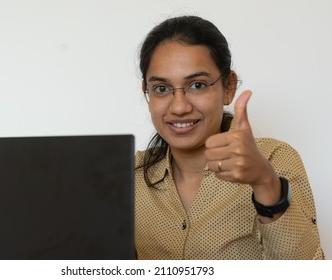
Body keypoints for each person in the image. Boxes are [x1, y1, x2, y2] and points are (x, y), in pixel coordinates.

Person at [134, 15, 324, 259]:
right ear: (146, 92)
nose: (179, 107)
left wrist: (266, 183)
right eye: (161, 89)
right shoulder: (129, 175)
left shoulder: (275, 159)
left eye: (197, 85)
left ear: (229, 87)